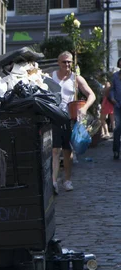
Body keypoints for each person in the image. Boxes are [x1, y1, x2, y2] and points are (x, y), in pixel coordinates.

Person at [51, 51, 95, 192]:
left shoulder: (76, 78)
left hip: (70, 119)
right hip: (54, 117)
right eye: (64, 62)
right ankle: (54, 181)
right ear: (59, 63)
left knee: (67, 151)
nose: (67, 64)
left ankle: (67, 180)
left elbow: (91, 95)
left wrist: (85, 108)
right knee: (55, 150)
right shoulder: (51, 77)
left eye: (69, 62)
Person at [109, 57, 121, 160]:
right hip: (118, 105)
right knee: (117, 129)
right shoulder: (115, 76)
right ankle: (116, 151)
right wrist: (112, 98)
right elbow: (112, 89)